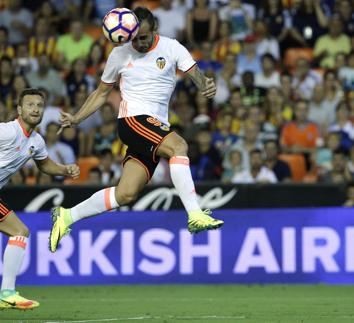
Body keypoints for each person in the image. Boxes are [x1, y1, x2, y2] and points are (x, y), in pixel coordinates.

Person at [49, 7, 223, 253]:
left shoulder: (172, 47)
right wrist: (77, 118)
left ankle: (66, 216)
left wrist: (206, 84)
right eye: (134, 38)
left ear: (155, 30)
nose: (139, 43)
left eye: (144, 37)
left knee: (126, 194)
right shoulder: (119, 54)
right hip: (133, 120)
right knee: (179, 146)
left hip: (155, 127)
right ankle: (195, 213)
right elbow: (101, 93)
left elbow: (196, 74)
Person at [0, 89, 80, 309]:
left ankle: (7, 293)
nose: (35, 109)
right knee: (19, 231)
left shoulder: (36, 141)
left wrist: (65, 170)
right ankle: (7, 293)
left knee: (20, 232)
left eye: (39, 105)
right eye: (29, 105)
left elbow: (45, 165)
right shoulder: (7, 131)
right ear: (19, 109)